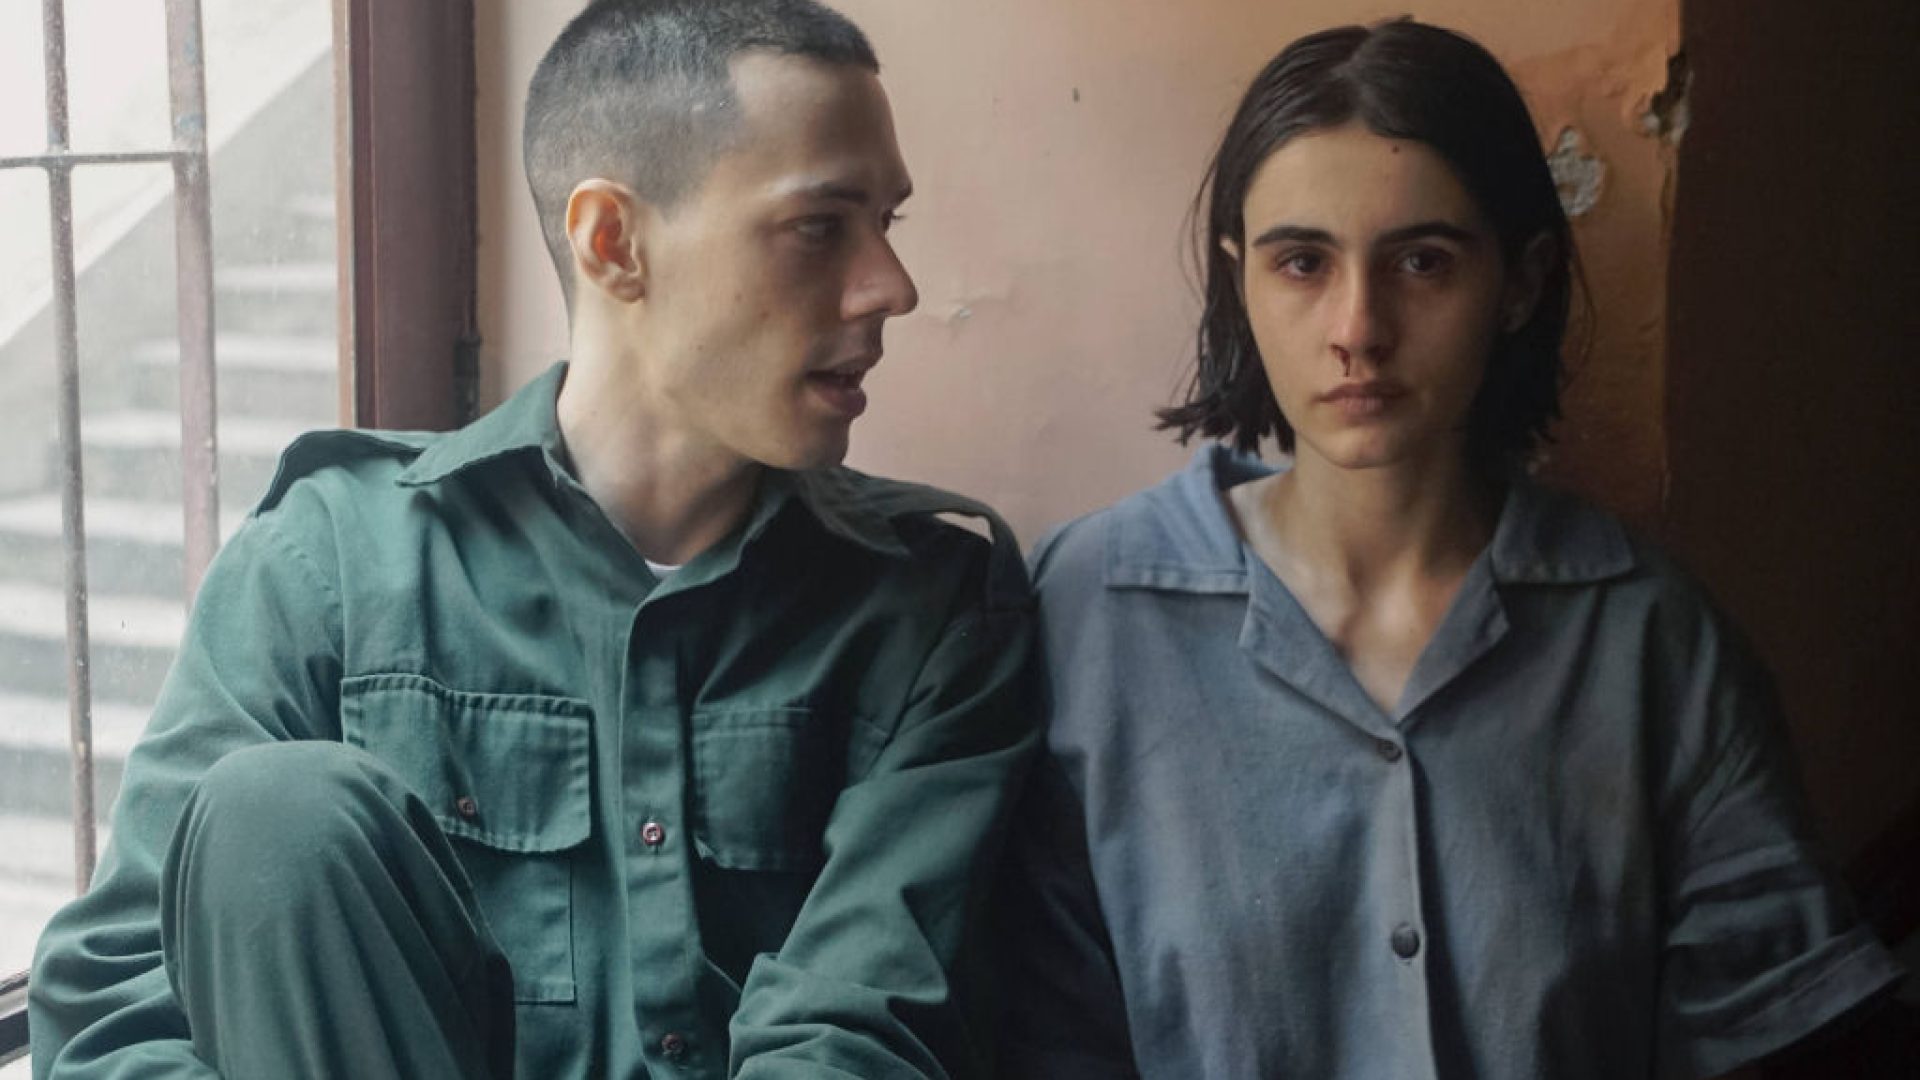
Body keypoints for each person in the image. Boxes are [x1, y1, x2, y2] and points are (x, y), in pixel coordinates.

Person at [30, 1, 1037, 1077]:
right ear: (613, 243)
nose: (892, 286)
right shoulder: (332, 561)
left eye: (888, 223)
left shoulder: (935, 601)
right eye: (821, 225)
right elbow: (114, 1012)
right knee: (275, 813)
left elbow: (857, 1034)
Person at [997, 18, 1904, 1080]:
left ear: (1519, 283)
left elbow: (1775, 1036)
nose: (1358, 327)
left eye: (1423, 262)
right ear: (1241, 280)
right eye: (1302, 263)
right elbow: (1041, 1029)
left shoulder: (1647, 639)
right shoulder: (1093, 607)